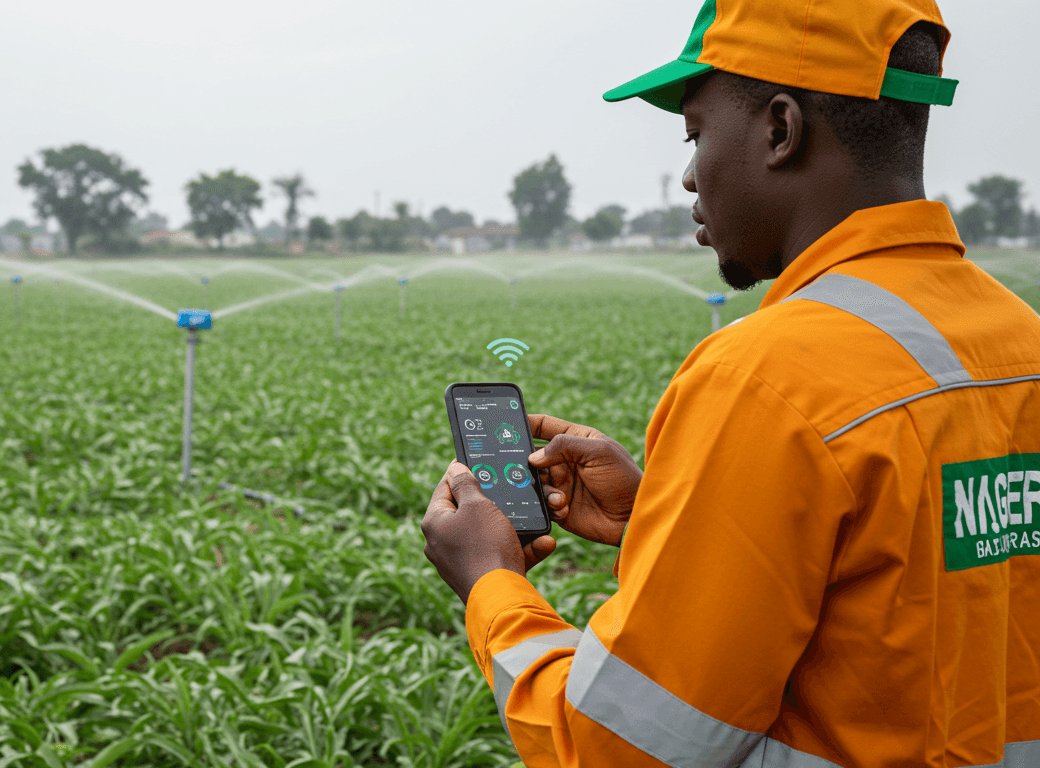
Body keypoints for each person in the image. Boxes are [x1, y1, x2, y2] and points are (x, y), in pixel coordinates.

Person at [420, 1, 1040, 766]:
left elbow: (616, 749)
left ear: (780, 129)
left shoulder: (764, 379)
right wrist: (672, 516)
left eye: (696, 134)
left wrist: (490, 582)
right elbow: (919, 601)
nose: (687, 176)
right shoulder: (1022, 340)